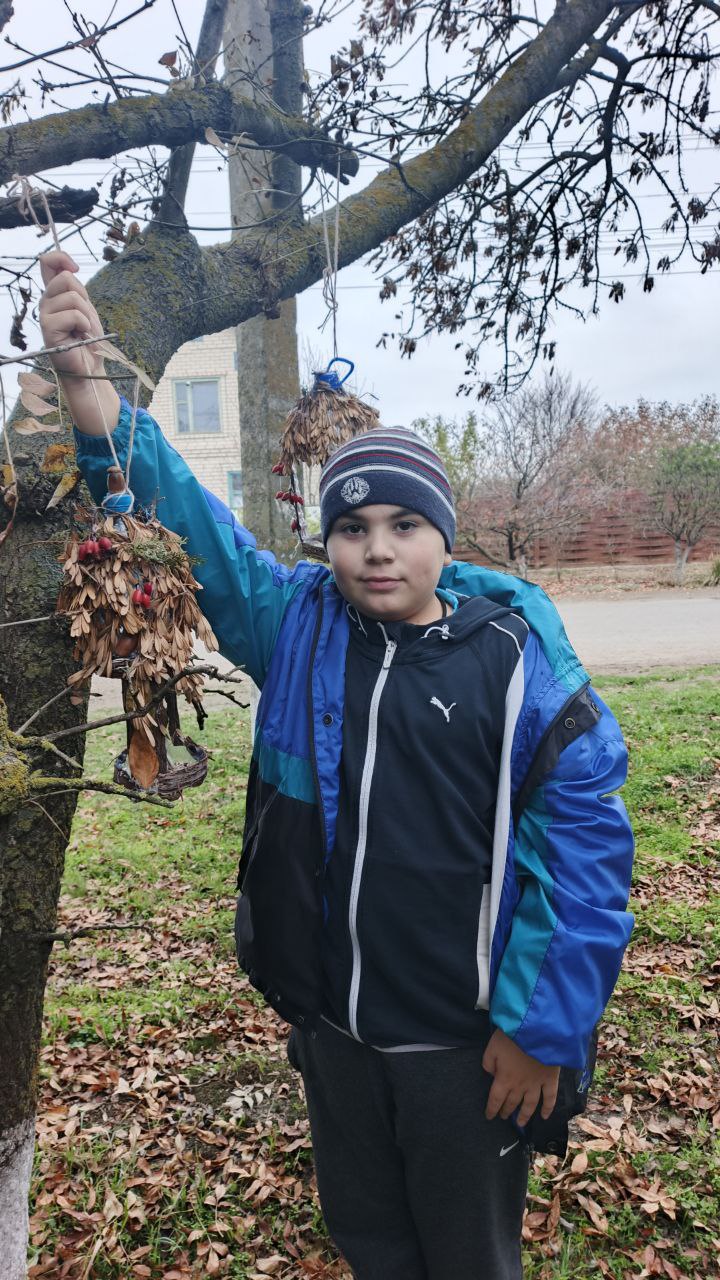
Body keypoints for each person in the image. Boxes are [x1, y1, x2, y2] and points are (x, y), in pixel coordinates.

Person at [39, 250, 634, 1280]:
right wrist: (92, 384)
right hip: (337, 1037)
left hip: (466, 1048)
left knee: (465, 1253)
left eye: (405, 525)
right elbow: (196, 529)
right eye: (352, 527)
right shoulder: (301, 628)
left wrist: (542, 1028)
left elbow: (588, 852)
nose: (377, 549)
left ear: (444, 537)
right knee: (372, 1241)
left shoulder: (515, 660)